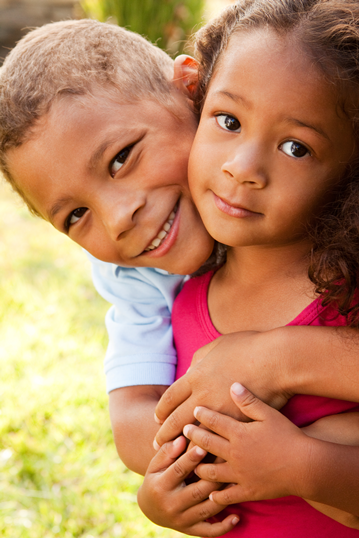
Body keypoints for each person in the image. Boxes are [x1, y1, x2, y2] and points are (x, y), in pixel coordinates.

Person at [0, 14, 358, 536]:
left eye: (122, 158)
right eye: (75, 216)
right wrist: (179, 479)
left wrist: (278, 367)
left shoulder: (336, 251)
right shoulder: (139, 279)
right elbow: (131, 421)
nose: (119, 218)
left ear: (191, 92)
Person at [138, 0, 359, 536]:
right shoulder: (186, 297)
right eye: (229, 120)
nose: (244, 168)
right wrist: (158, 499)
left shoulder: (344, 295)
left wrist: (303, 465)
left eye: (295, 147)